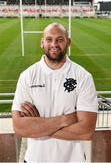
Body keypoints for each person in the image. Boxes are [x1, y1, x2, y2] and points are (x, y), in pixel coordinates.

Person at [12, 22, 98, 162]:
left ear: (68, 42)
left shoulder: (83, 77)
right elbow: (20, 128)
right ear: (42, 43)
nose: (54, 44)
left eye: (60, 39)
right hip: (35, 159)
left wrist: (38, 126)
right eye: (49, 39)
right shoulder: (27, 76)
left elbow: (86, 131)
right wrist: (65, 119)